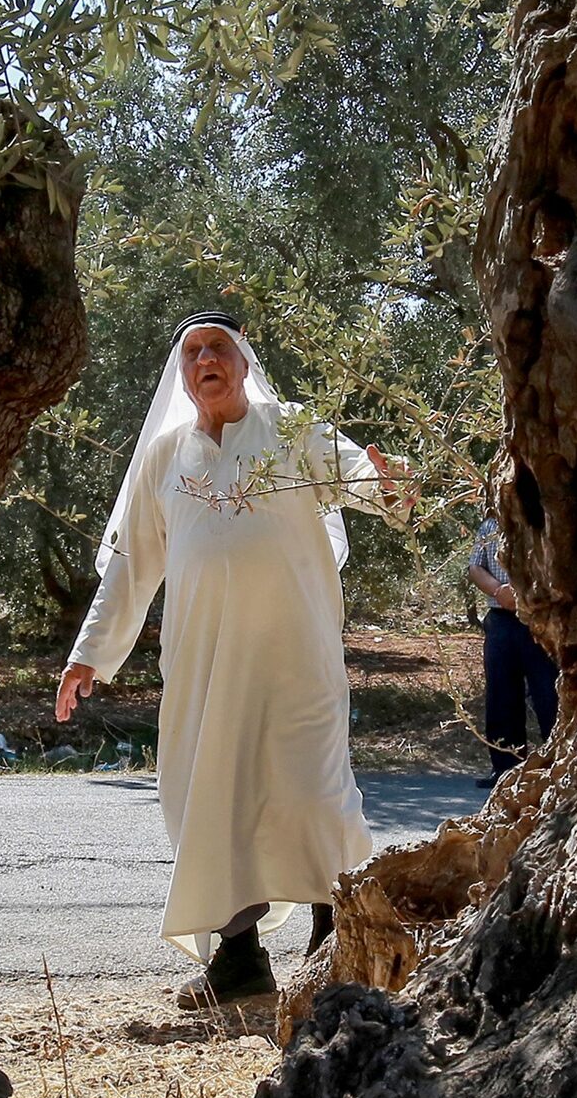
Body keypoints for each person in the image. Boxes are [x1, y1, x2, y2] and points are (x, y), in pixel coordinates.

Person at [55, 312, 410, 1009]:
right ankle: (240, 962)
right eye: (192, 353)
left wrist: (390, 487)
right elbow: (130, 569)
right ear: (180, 373)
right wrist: (89, 655)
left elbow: (365, 483)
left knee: (314, 794)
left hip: (298, 658)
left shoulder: (294, 431)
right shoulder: (164, 459)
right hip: (204, 668)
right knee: (210, 800)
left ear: (245, 361)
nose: (205, 361)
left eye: (219, 349)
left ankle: (334, 944)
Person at [468, 512, 557, 787]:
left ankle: (557, 764)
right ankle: (506, 770)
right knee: (501, 696)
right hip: (501, 622)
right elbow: (475, 568)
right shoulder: (490, 525)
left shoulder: (544, 519)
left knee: (549, 693)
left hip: (540, 619)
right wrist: (498, 591)